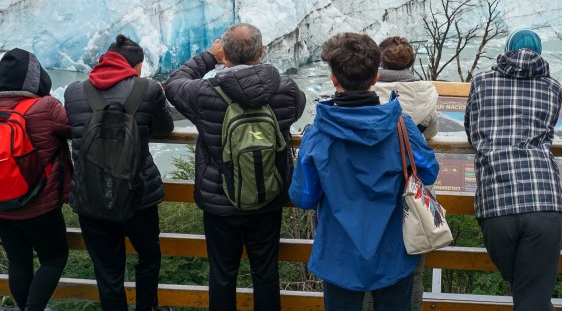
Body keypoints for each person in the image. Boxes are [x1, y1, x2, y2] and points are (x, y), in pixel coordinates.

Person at [289, 33, 439, 311]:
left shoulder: (318, 134)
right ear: (374, 78)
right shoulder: (400, 126)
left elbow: (304, 197)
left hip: (339, 255)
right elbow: (428, 172)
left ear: (334, 79)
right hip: (394, 251)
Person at [165, 23, 306, 311]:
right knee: (265, 273)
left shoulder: (203, 93)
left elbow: (173, 84)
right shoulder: (285, 90)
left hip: (220, 201)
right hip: (268, 198)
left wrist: (208, 56)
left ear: (224, 53)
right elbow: (299, 107)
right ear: (262, 51)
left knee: (222, 275)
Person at [64, 34, 174, 311]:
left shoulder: (74, 91)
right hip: (138, 196)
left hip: (91, 198)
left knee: (108, 271)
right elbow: (165, 128)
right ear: (135, 66)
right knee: (148, 258)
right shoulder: (148, 89)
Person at [464, 29, 562, 311]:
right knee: (532, 295)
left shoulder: (482, 82)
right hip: (543, 197)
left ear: (506, 50)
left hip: (496, 199)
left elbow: (473, 131)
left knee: (526, 292)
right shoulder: (552, 87)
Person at [0, 49, 72, 311]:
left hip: (0, 205)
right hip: (38, 206)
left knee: (19, 262)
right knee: (54, 258)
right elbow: (74, 128)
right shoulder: (46, 107)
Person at [364, 36, 438, 311]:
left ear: (378, 62)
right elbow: (431, 134)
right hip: (410, 192)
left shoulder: (366, 91)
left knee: (369, 268)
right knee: (412, 270)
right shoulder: (425, 92)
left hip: (372, 187)